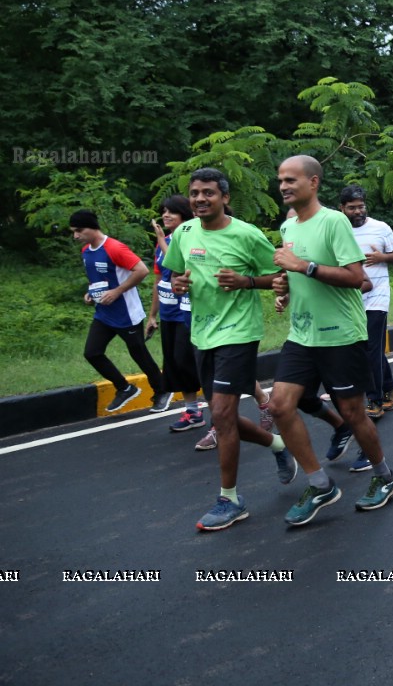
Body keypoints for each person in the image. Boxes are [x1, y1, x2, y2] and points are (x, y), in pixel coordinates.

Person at [162, 168, 297, 531]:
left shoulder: (246, 234)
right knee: (223, 419)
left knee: (221, 414)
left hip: (238, 333)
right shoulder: (184, 233)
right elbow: (175, 275)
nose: (200, 199)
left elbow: (281, 277)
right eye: (194, 193)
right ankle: (278, 446)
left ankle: (230, 499)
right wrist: (178, 284)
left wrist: (246, 281)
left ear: (225, 198)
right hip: (202, 333)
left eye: (208, 193)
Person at [269, 155, 393, 525]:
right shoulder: (288, 227)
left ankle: (385, 476)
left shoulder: (334, 221)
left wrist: (304, 268)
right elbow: (296, 274)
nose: (284, 186)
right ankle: (320, 483)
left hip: (340, 335)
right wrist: (285, 286)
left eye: (291, 180)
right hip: (302, 334)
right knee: (279, 406)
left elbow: (356, 277)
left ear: (313, 183)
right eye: (281, 180)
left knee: (353, 413)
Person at [68, 209, 169, 413]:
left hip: (127, 314)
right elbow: (95, 279)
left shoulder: (114, 247)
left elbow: (142, 270)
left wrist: (118, 291)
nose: (75, 235)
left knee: (139, 354)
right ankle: (124, 388)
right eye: (73, 231)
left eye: (79, 230)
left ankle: (162, 391)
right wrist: (90, 293)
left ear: (93, 228)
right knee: (92, 352)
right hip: (104, 314)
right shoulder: (86, 250)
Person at [340, 185, 393, 420]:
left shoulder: (380, 228)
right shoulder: (338, 231)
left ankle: (374, 399)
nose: (358, 211)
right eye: (352, 208)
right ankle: (390, 384)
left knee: (370, 349)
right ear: (342, 209)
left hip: (377, 296)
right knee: (367, 349)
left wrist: (382, 257)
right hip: (349, 299)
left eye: (361, 207)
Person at [148, 196, 204, 431]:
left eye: (172, 212)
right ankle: (193, 412)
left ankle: (257, 401)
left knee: (191, 363)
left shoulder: (189, 239)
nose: (166, 215)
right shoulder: (162, 244)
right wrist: (152, 315)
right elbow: (159, 279)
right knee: (175, 364)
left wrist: (162, 240)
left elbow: (178, 264)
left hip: (187, 313)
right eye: (164, 211)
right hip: (168, 314)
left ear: (185, 215)